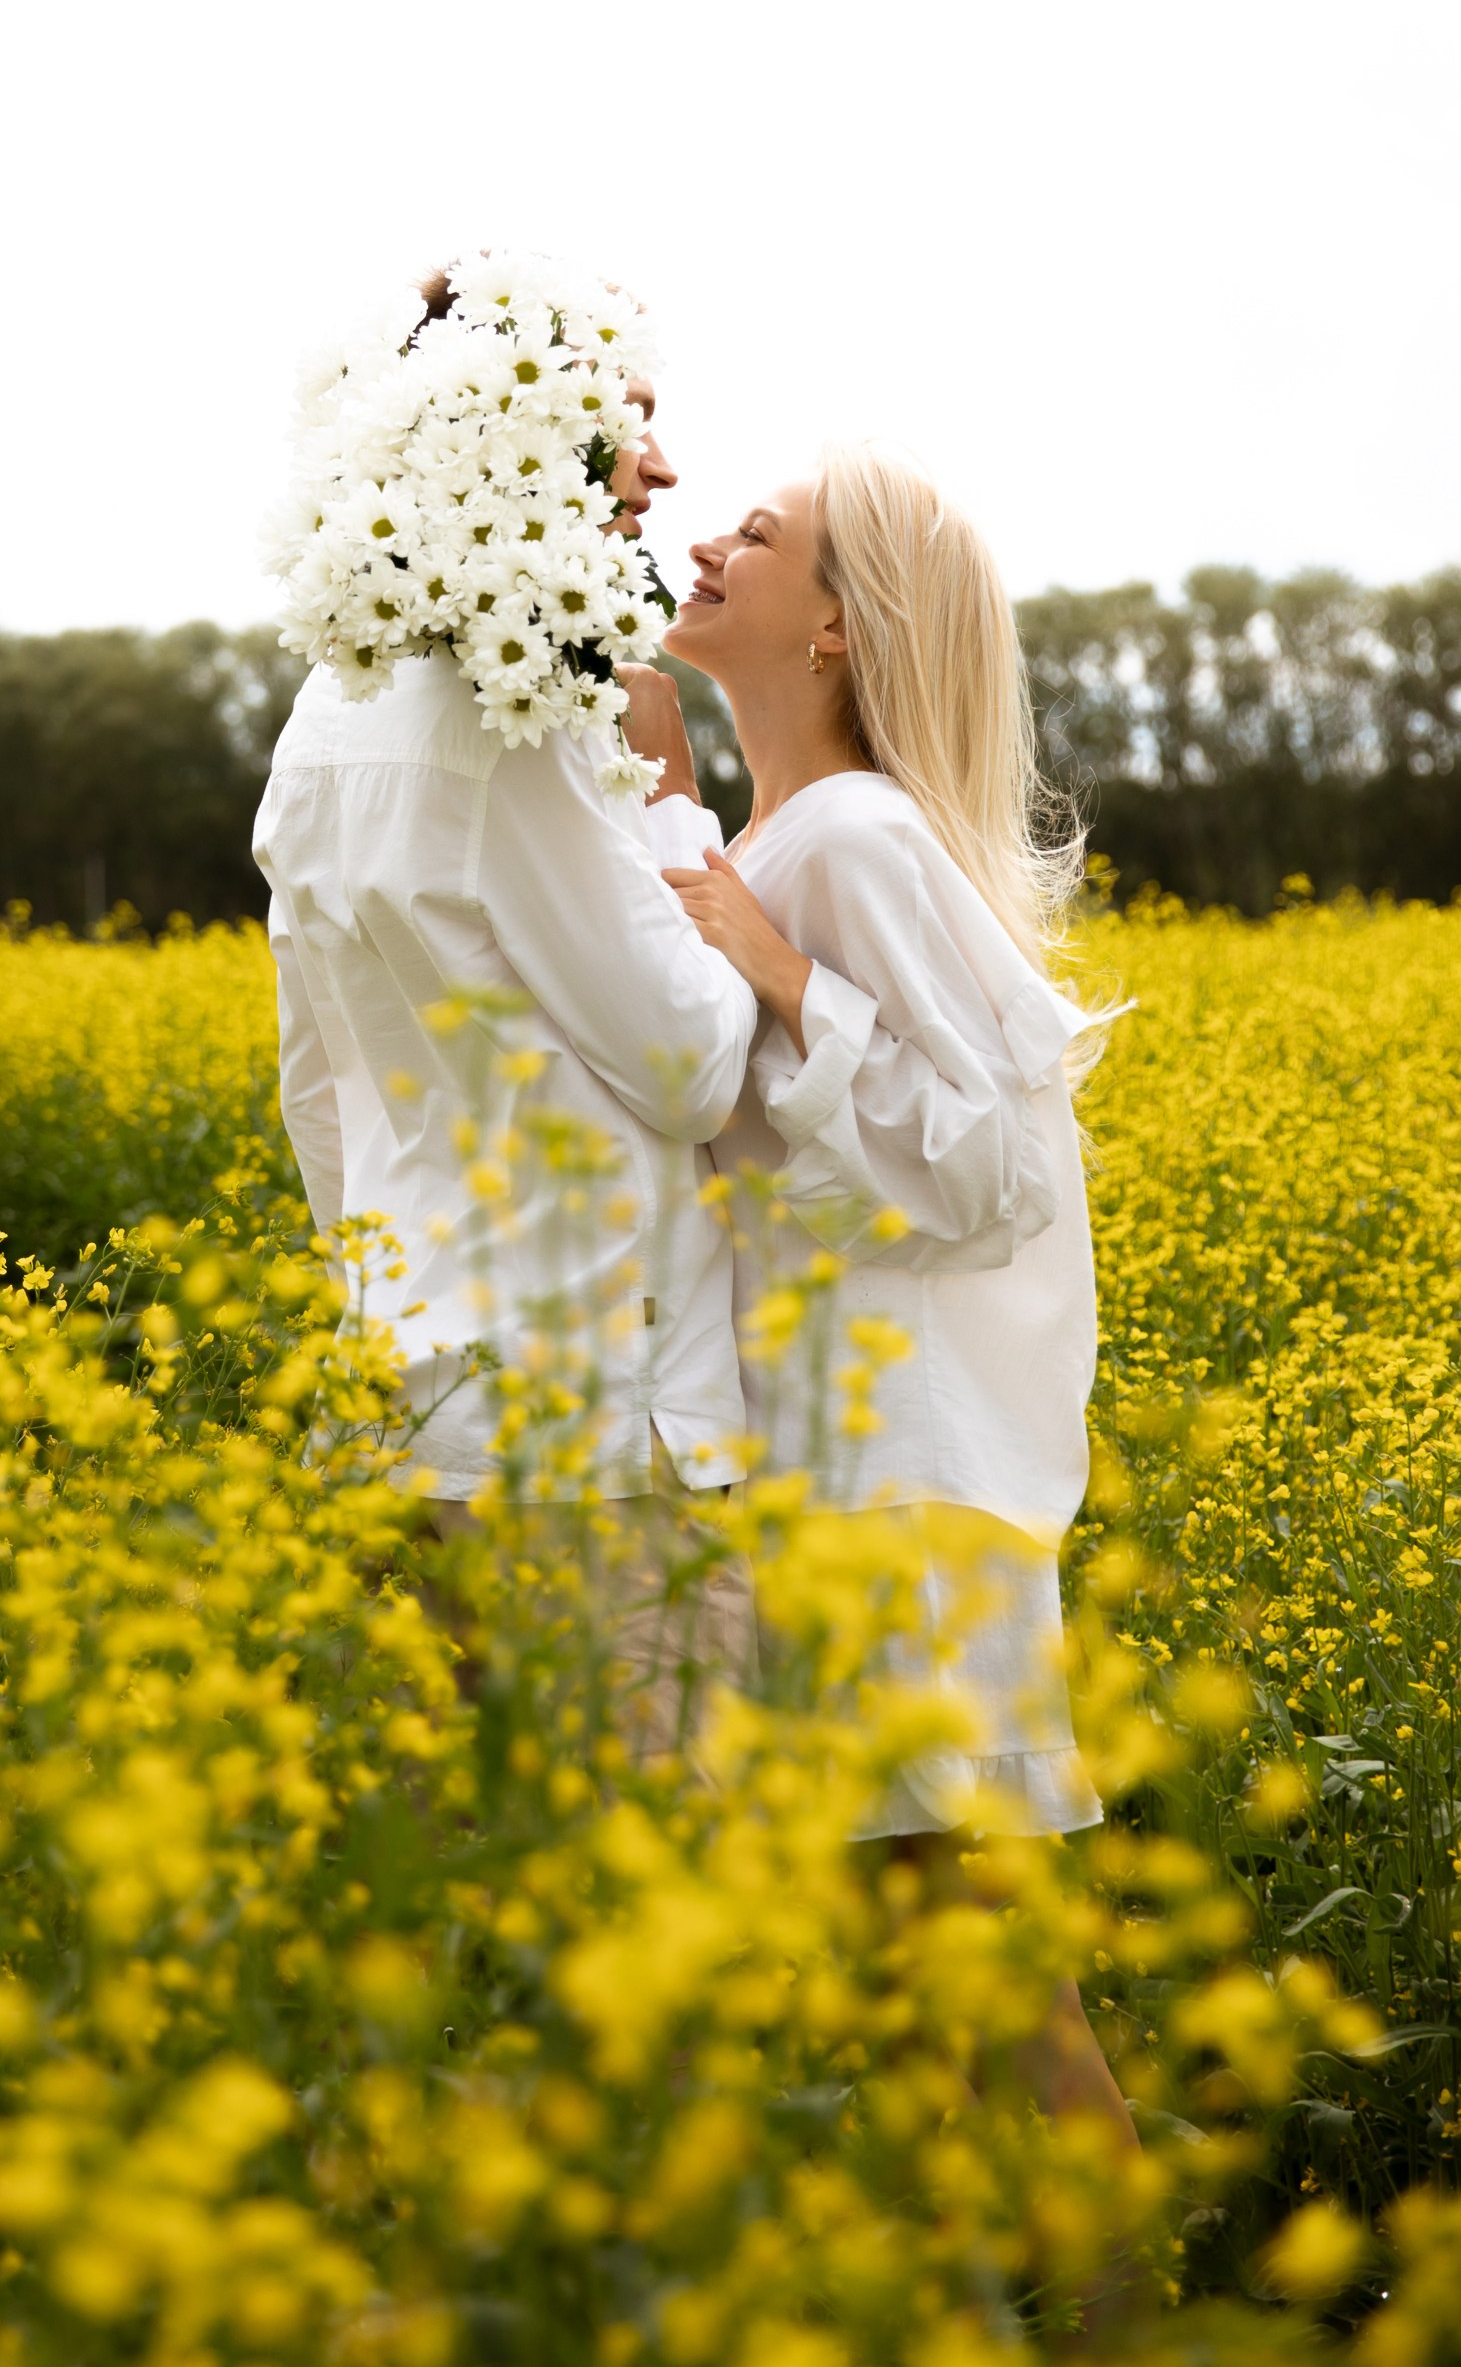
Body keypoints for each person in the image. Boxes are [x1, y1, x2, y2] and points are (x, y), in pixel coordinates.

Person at [620, 443, 1133, 2142]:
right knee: (915, 1967)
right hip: (828, 1468)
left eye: (755, 535)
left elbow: (992, 1163)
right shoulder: (782, 832)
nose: (706, 537)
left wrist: (781, 982)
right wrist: (668, 800)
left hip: (901, 1473)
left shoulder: (852, 836)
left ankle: (1127, 2321)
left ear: (837, 628)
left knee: (988, 1969)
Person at [253, 269, 760, 1748]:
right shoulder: (523, 718)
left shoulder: (322, 716)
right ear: (509, 433)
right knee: (665, 1925)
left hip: (403, 1417)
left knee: (446, 1933)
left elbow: (318, 1096)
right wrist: (672, 808)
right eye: (630, 424)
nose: (660, 472)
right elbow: (689, 1069)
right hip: (589, 1442)